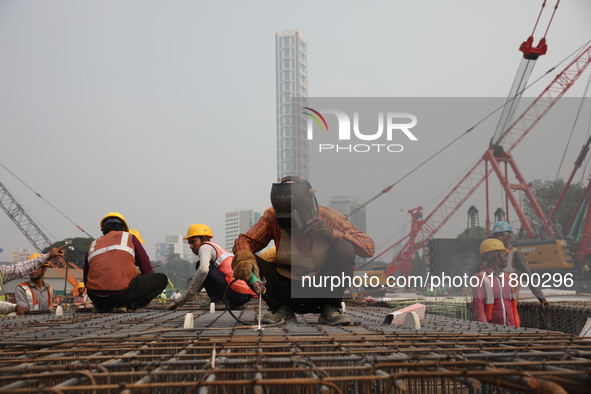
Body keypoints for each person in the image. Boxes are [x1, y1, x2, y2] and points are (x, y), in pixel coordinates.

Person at [232, 176, 375, 326]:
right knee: (245, 258)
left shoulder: (328, 216)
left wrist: (332, 233)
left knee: (344, 248)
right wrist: (244, 259)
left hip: (321, 289)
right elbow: (244, 240)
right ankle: (280, 309)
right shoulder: (271, 216)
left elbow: (369, 247)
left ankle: (331, 308)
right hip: (286, 289)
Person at [84, 212, 168, 313]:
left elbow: (86, 277)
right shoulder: (129, 237)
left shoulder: (93, 244)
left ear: (103, 229)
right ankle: (127, 305)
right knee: (162, 279)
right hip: (121, 295)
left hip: (95, 296)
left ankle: (101, 306)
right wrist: (144, 289)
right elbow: (146, 267)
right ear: (124, 228)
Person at [168, 224, 255, 310]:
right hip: (245, 296)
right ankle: (234, 304)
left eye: (193, 241)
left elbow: (203, 271)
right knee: (205, 271)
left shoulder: (205, 247)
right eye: (189, 243)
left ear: (204, 239)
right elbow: (203, 280)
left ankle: (218, 301)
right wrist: (184, 298)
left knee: (200, 265)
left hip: (236, 292)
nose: (191, 246)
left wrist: (191, 293)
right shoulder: (217, 249)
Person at [491, 221, 550, 307]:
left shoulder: (515, 254)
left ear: (508, 236)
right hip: (494, 302)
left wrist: (541, 298)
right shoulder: (493, 255)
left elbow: (528, 276)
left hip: (510, 302)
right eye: (496, 235)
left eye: (502, 235)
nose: (499, 238)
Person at [0, 246, 66, 315]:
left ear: (45, 269)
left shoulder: (1, 272)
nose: (33, 271)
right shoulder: (22, 288)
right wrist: (14, 307)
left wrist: (48, 255)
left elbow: (23, 267)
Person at [472, 238, 520, 327]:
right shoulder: (479, 278)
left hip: (512, 328)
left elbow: (513, 306)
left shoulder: (507, 277)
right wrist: (485, 331)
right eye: (505, 255)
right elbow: (479, 308)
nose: (507, 259)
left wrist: (517, 327)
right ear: (497, 257)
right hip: (494, 330)